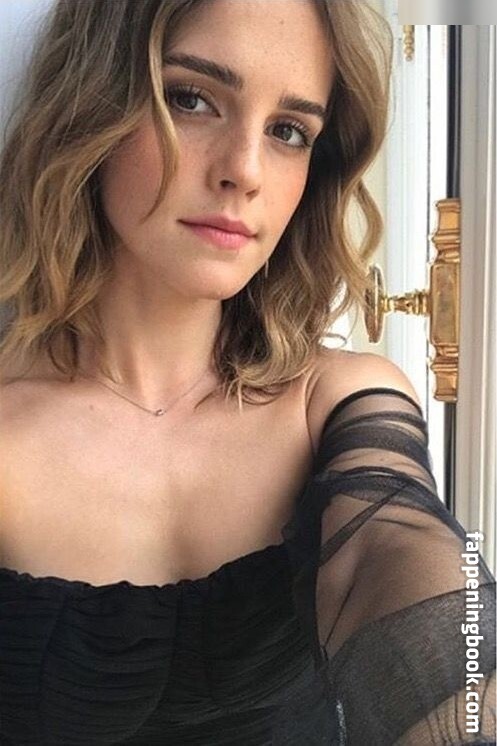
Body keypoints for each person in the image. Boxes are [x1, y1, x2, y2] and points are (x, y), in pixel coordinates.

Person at [0, 0, 494, 743]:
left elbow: (395, 545)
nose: (245, 170)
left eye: (288, 131)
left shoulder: (335, 401)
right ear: (92, 105)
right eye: (191, 99)